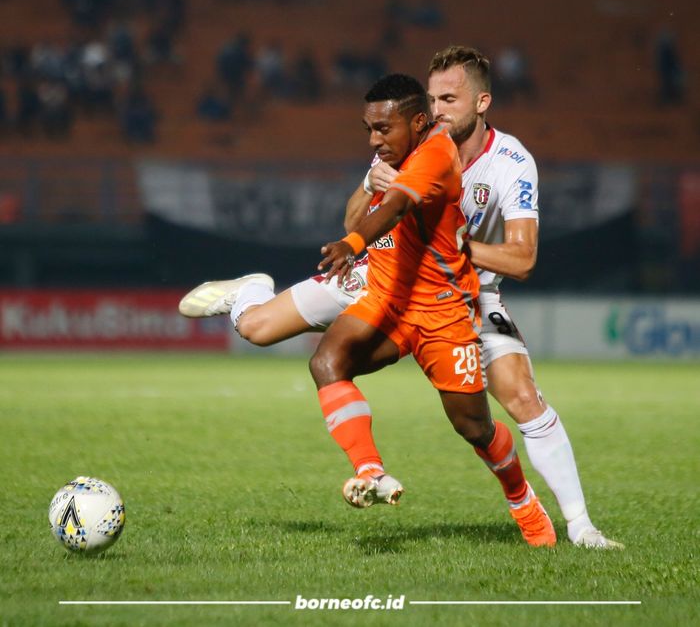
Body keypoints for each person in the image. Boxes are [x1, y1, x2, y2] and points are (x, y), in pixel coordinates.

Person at [179, 47, 622, 549]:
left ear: (482, 102)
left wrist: (460, 246)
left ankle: (579, 525)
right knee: (257, 329)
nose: (438, 109)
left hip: (462, 295)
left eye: (449, 98)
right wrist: (370, 185)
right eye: (432, 99)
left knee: (508, 405)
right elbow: (356, 220)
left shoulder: (510, 162)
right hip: (379, 275)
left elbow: (522, 260)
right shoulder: (400, 137)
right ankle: (252, 292)